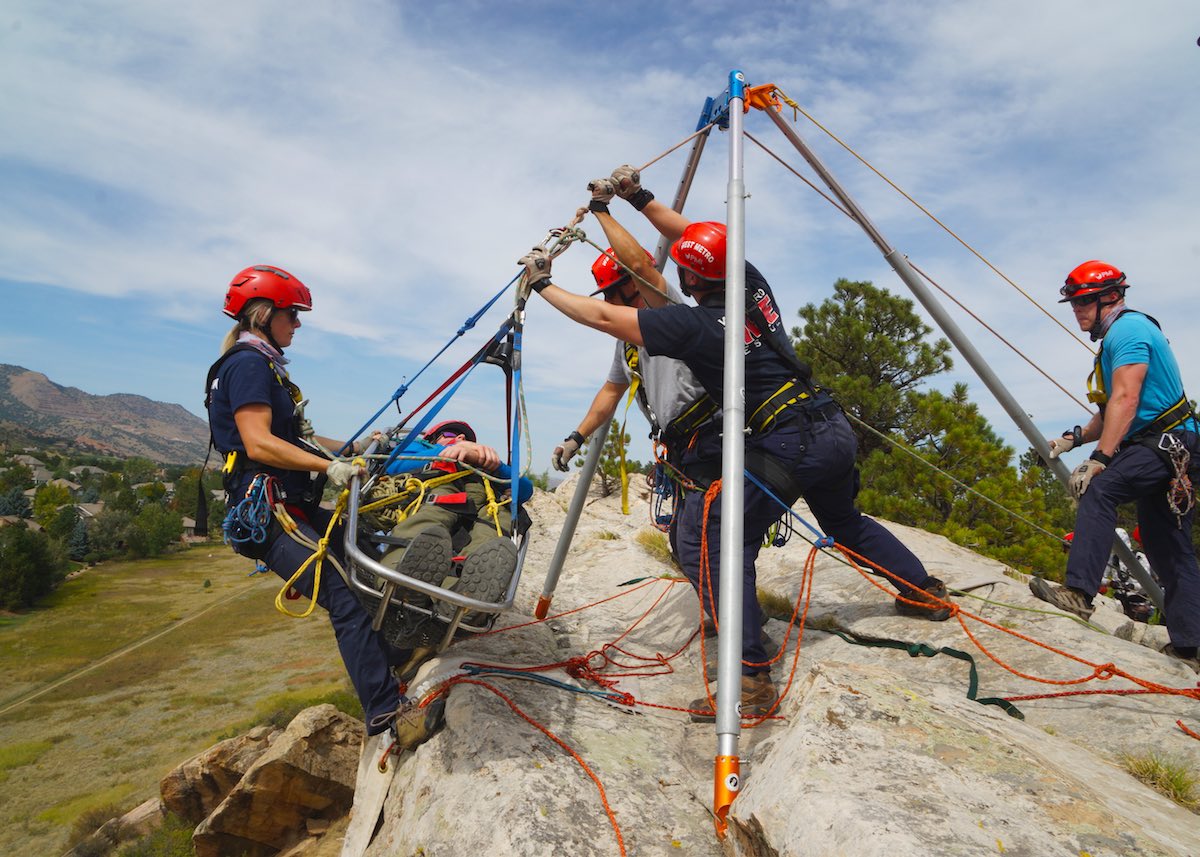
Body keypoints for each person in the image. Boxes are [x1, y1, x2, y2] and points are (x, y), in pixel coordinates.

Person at [520, 171, 953, 719]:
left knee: (715, 540)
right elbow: (689, 235)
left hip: (789, 439)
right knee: (844, 520)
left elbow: (605, 314)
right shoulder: (750, 281)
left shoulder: (695, 325)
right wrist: (637, 198)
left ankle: (750, 678)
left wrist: (542, 285)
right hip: (830, 425)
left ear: (689, 277)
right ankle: (922, 591)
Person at [204, 264, 448, 751]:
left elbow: (295, 438)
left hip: (290, 503)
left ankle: (394, 656)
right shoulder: (248, 366)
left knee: (367, 570)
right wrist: (328, 470)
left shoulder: (258, 363)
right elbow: (258, 443)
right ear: (264, 314)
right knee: (342, 593)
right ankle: (387, 715)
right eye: (291, 315)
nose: (297, 324)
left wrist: (353, 448)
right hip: (270, 510)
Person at [1035, 260, 1200, 670]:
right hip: (1173, 443)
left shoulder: (1127, 331)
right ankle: (1189, 646)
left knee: (1101, 490)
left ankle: (1078, 594)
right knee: (1169, 547)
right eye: (1073, 304)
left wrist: (1099, 460)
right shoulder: (1122, 335)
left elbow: (1127, 400)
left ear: (1109, 297)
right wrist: (1073, 440)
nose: (1076, 311)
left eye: (1082, 302)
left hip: (1166, 443)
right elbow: (1114, 409)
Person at [552, 245, 716, 556]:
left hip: (709, 440)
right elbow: (612, 390)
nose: (606, 301)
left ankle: (728, 603)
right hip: (683, 449)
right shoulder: (628, 339)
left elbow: (642, 267)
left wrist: (605, 210)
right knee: (685, 542)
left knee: (698, 544)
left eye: (610, 292)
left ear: (632, 285)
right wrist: (577, 437)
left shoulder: (669, 312)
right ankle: (717, 600)